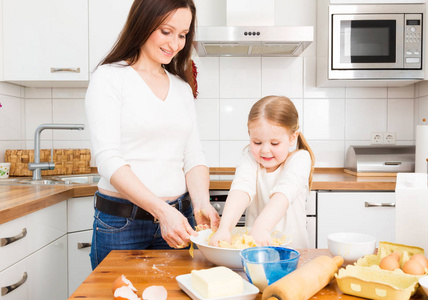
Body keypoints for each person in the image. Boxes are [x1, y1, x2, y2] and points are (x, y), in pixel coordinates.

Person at [85, 0, 220, 269]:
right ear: (143, 24)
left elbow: (193, 156)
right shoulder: (110, 77)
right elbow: (109, 159)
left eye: (182, 35)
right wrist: (162, 211)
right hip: (123, 224)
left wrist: (202, 204)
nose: (175, 43)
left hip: (179, 221)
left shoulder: (181, 87)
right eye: (166, 31)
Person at [210, 96, 315, 249]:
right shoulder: (249, 158)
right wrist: (224, 228)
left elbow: (284, 193)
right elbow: (241, 189)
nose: (265, 150)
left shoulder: (300, 159)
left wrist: (262, 227)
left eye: (274, 143)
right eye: (257, 142)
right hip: (256, 253)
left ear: (292, 138)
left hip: (295, 251)